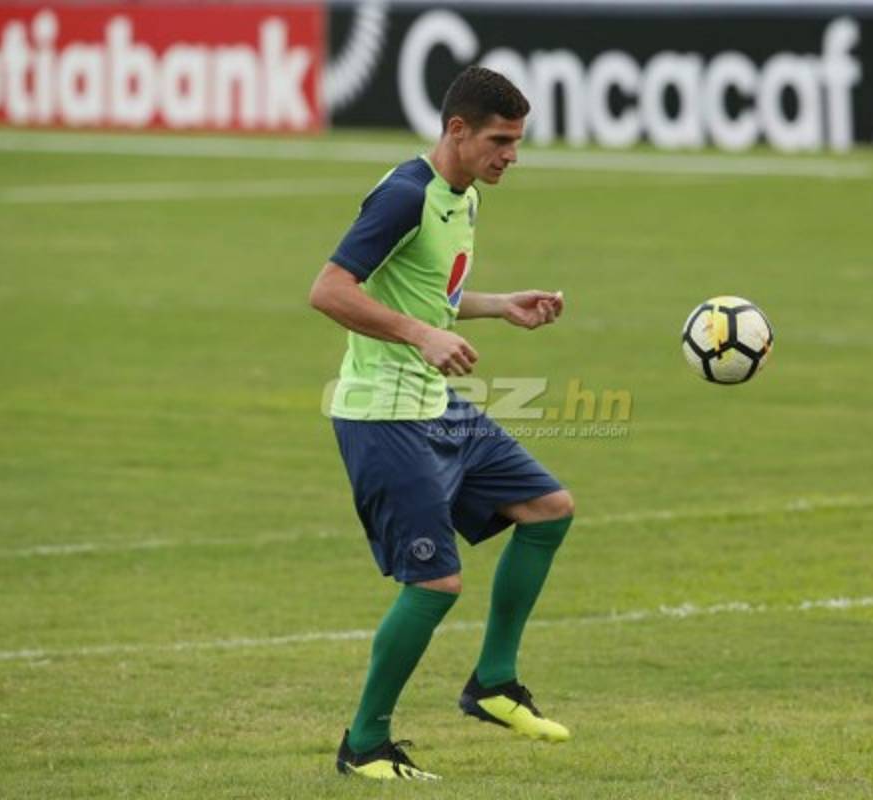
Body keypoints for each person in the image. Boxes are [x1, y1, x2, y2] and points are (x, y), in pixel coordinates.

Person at [309, 66, 574, 781]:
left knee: (548, 508)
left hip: (433, 402)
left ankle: (493, 684)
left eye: (517, 142)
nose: (511, 155)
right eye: (500, 141)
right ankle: (364, 745)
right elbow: (328, 290)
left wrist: (499, 305)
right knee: (434, 583)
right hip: (382, 414)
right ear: (457, 130)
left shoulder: (464, 196)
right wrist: (420, 336)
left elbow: (429, 293)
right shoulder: (404, 195)